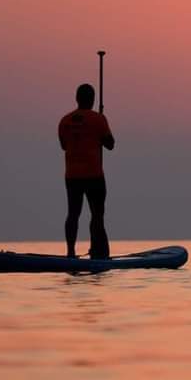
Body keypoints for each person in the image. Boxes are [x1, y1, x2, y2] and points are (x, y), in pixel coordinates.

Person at [58, 83, 115, 259]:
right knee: (97, 214)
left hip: (72, 175)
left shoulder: (65, 121)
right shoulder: (98, 119)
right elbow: (110, 144)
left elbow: (63, 145)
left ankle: (70, 252)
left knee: (73, 213)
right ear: (92, 99)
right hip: (94, 175)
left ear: (77, 98)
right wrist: (99, 123)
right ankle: (97, 251)